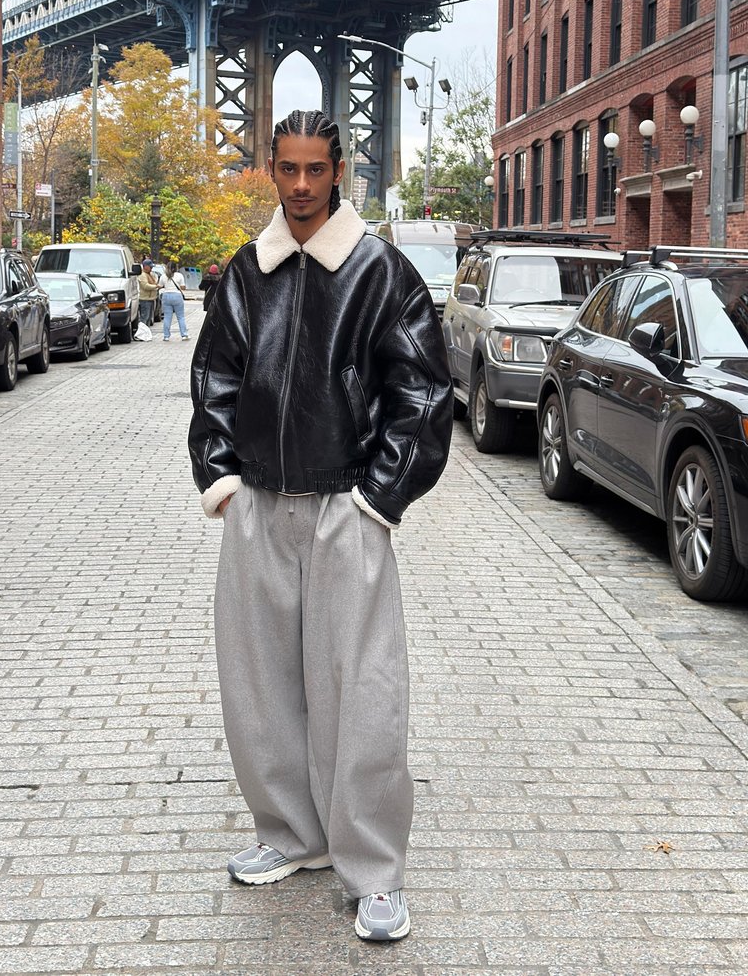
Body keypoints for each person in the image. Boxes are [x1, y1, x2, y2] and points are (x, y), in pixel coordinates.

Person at [188, 109, 452, 943]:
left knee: (363, 691)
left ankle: (373, 871)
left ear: (340, 170)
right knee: (260, 687)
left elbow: (423, 391)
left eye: (316, 170)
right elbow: (215, 376)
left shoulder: (381, 272)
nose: (301, 186)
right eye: (287, 169)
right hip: (258, 505)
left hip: (347, 507)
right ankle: (292, 836)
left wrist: (378, 498)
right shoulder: (247, 270)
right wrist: (223, 480)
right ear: (271, 169)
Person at [159, 260, 189, 341]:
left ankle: (166, 336)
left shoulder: (163, 276)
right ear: (175, 268)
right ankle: (184, 335)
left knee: (167, 317)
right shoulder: (179, 275)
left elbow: (160, 286)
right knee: (180, 317)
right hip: (177, 296)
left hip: (166, 296)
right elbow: (183, 287)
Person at [137, 259, 159, 327]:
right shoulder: (142, 275)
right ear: (145, 266)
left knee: (148, 318)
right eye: (150, 267)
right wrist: (156, 286)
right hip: (145, 299)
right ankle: (142, 333)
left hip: (150, 299)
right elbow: (145, 286)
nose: (151, 268)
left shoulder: (150, 274)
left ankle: (146, 333)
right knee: (144, 318)